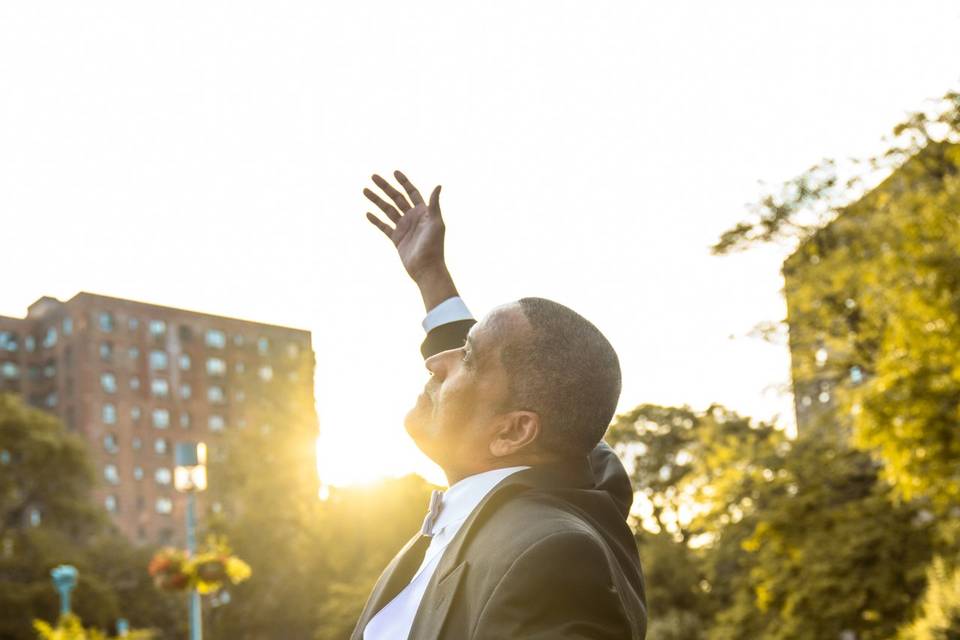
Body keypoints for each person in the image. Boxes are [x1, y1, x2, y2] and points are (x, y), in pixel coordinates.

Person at [351, 171, 647, 640]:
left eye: (466, 354)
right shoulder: (533, 501)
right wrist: (432, 276)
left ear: (512, 433)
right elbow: (551, 405)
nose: (435, 361)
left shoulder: (555, 556)